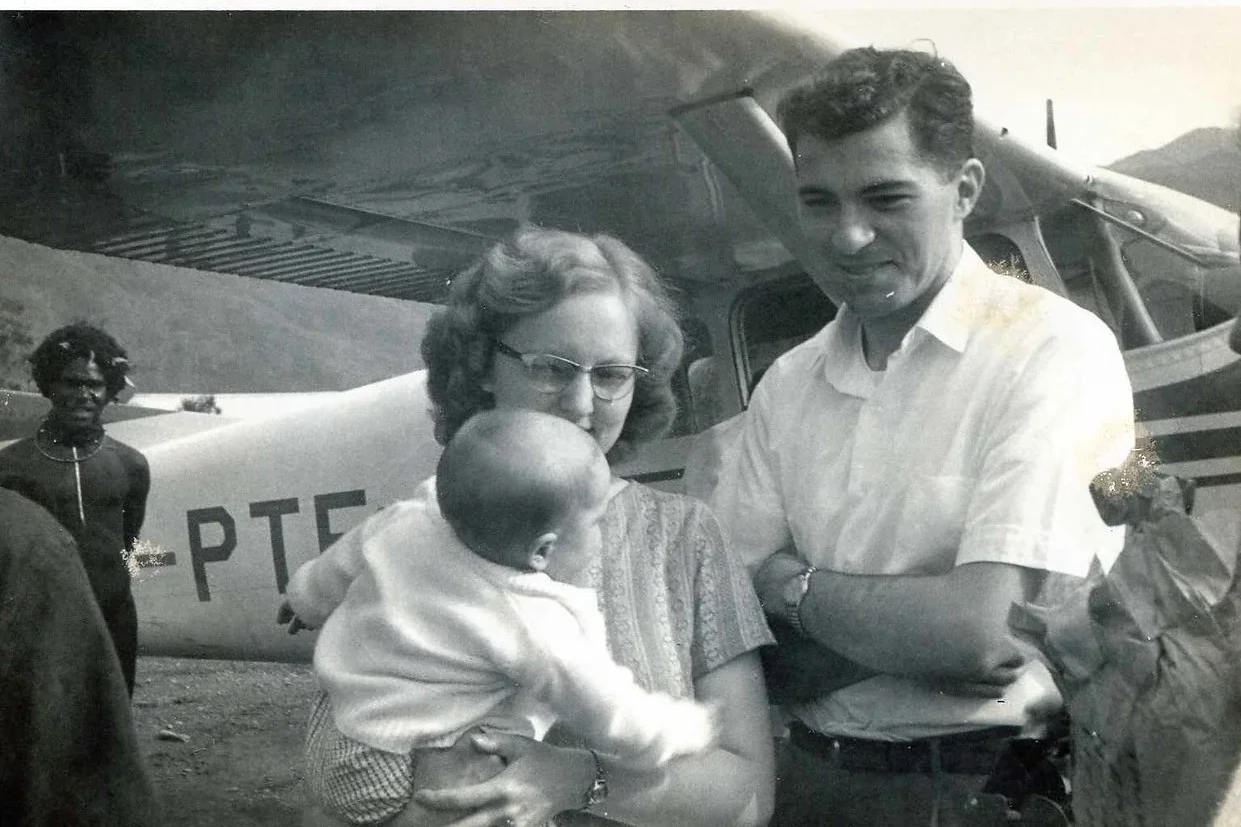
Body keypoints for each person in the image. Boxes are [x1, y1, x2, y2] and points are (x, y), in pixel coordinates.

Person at [708, 48, 1135, 826]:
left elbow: (978, 634)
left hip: (989, 790)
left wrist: (787, 586)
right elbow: (732, 646)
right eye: (817, 201)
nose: (846, 237)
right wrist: (917, 627)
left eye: (885, 197)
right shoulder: (786, 385)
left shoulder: (1053, 351)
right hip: (810, 787)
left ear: (963, 189)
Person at [301, 225, 776, 827]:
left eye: (611, 375)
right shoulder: (424, 534)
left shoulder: (686, 539)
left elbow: (749, 794)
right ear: (482, 368)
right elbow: (339, 782)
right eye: (551, 368)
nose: (581, 404)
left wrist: (577, 778)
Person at [281, 409, 719, 826]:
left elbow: (341, 560)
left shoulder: (409, 519)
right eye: (597, 521)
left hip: (334, 727)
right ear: (542, 551)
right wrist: (684, 729)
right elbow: (611, 712)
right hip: (395, 764)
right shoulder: (529, 617)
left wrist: (304, 597)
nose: (602, 532)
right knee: (494, 781)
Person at [0, 322, 150, 697]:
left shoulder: (131, 465)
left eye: (95, 385)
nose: (84, 394)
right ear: (49, 384)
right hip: (40, 623)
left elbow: (130, 544)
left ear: (109, 390)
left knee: (110, 734)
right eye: (71, 382)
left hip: (114, 619)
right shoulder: (11, 467)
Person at [0, 487, 162, 827]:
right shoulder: (26, 532)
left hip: (105, 595)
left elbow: (131, 537)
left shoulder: (128, 463)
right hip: (62, 588)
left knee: (101, 698)